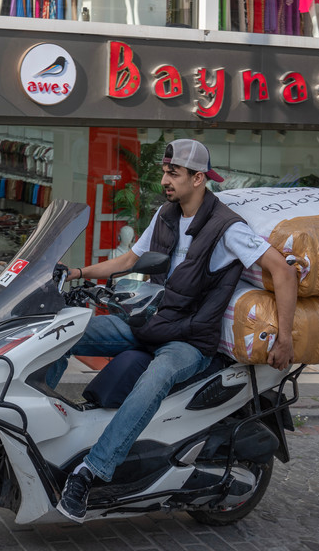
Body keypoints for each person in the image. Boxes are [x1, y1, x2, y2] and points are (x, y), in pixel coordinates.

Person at [48, 139, 298, 522]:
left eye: (173, 173)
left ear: (198, 179)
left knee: (157, 375)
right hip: (153, 321)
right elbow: (131, 258)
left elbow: (282, 270)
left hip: (189, 341)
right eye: (165, 171)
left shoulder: (226, 228)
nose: (165, 179)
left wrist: (285, 337)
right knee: (66, 331)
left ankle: (92, 471)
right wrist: (78, 272)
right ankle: (46, 427)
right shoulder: (166, 215)